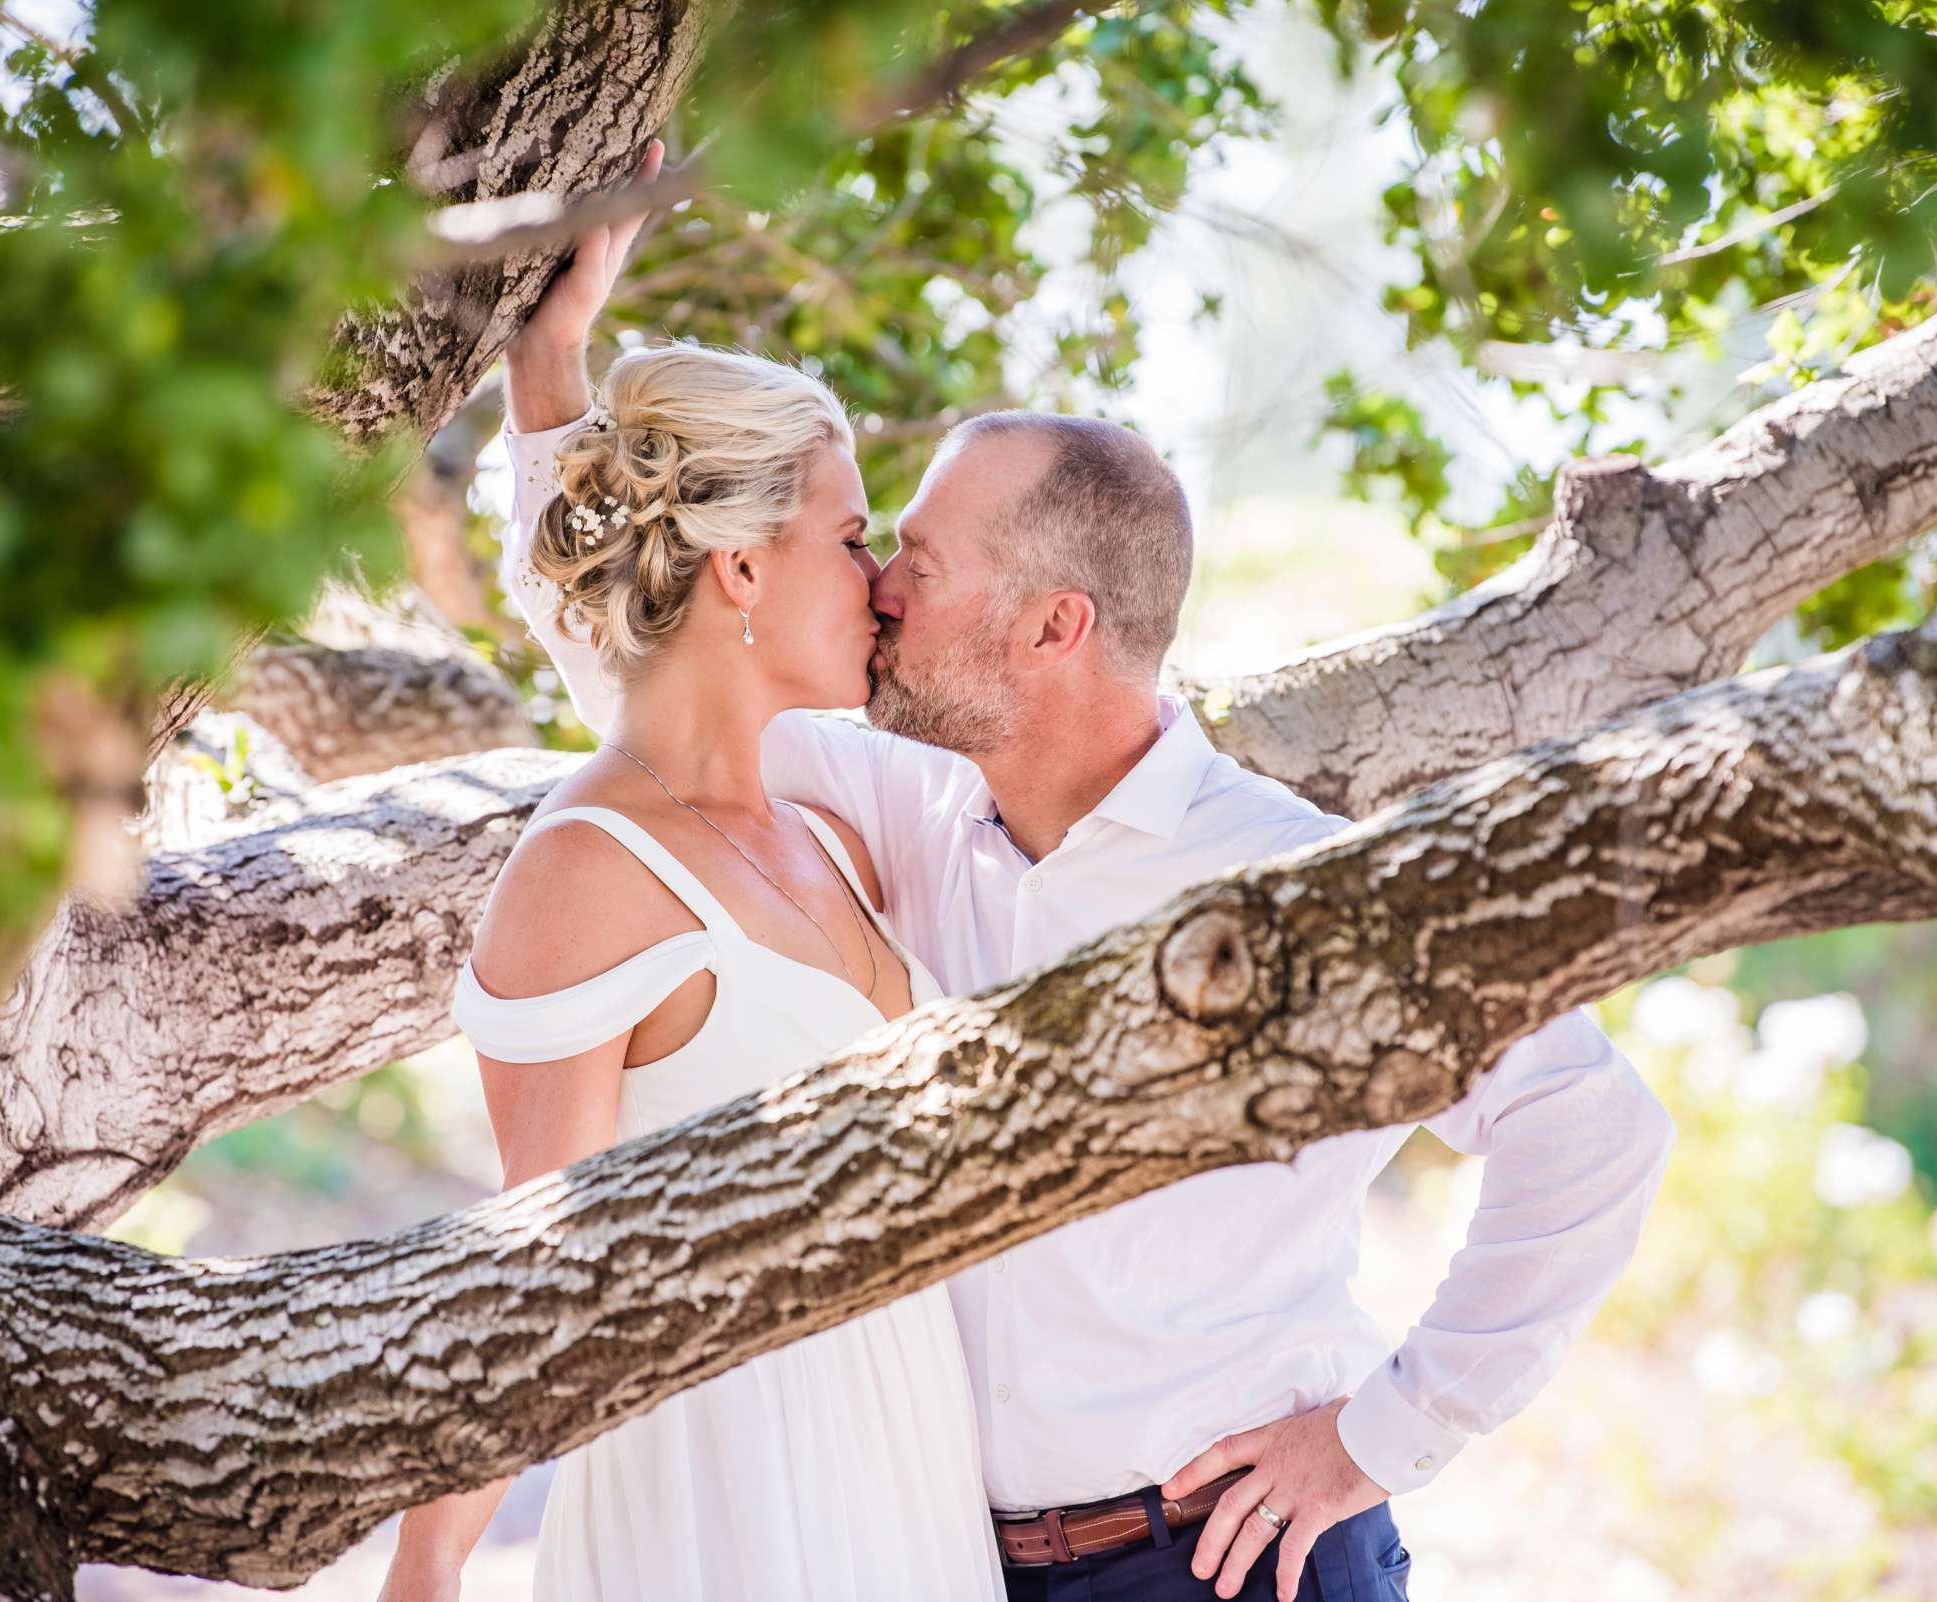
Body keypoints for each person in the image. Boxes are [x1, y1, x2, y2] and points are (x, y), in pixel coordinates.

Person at [487, 145, 1679, 1602]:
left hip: (1234, 1561)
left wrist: (1383, 1434)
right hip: (956, 1560)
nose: (879, 586)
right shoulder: (907, 816)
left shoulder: (1287, 881)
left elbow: (1592, 1123)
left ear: (1054, 628)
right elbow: (660, 663)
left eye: (913, 557)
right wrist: (548, 380)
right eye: (874, 547)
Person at [379, 143, 1006, 1602]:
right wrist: (424, 1578)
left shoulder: (825, 813)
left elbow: (597, 626)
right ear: (737, 571)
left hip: (908, 1480)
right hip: (733, 1507)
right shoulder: (590, 868)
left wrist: (558, 361)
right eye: (852, 539)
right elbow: (524, 1275)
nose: (882, 583)